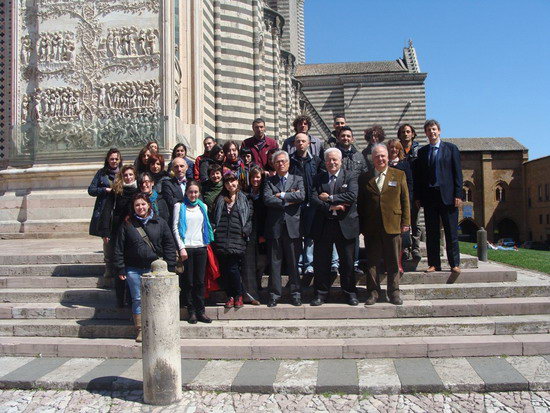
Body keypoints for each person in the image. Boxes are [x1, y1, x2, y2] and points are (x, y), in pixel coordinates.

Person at [114, 193, 177, 341]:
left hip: (154, 267)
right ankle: (141, 329)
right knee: (137, 299)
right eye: (137, 205)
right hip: (133, 268)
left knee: (157, 298)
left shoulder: (159, 222)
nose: (140, 207)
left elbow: (169, 244)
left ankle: (158, 326)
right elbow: (119, 247)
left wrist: (171, 265)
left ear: (148, 205)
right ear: (133, 207)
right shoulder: (127, 224)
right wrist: (120, 267)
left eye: (143, 204)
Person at [358, 144, 410, 306]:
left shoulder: (399, 175)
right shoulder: (365, 178)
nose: (380, 159)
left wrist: (406, 222)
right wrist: (361, 226)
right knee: (372, 262)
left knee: (393, 261)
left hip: (393, 225)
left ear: (387, 157)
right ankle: (373, 292)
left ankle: (394, 292)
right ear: (372, 159)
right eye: (376, 156)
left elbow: (405, 200)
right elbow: (361, 204)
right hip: (372, 227)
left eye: (382, 156)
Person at [310, 148, 360, 306]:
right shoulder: (318, 178)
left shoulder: (350, 175)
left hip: (345, 225)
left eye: (335, 160)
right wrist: (331, 207)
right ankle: (320, 294)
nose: (332, 162)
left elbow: (352, 195)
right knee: (321, 262)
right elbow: (313, 197)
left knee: (347, 262)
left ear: (341, 161)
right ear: (325, 162)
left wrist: (331, 198)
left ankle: (350, 293)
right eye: (329, 160)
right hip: (323, 224)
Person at [413, 119, 463, 276]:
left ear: (439, 131)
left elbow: (458, 174)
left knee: (451, 232)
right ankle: (434, 263)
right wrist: (418, 197)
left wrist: (458, 194)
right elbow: (419, 177)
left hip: (448, 197)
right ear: (425, 133)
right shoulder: (422, 152)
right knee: (432, 233)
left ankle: (454, 263)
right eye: (428, 130)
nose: (431, 132)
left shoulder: (451, 149)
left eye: (434, 129)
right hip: (430, 198)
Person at [263, 150, 305, 307]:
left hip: (293, 226)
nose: (281, 164)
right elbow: (267, 199)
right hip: (275, 227)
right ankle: (274, 294)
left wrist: (280, 195)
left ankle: (296, 293)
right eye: (277, 162)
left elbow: (301, 196)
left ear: (288, 163)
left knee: (294, 262)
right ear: (273, 164)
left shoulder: (297, 179)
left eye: (283, 161)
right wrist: (288, 199)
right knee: (275, 263)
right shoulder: (269, 181)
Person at [172, 181, 214, 323]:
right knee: (188, 282)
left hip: (201, 247)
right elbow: (175, 228)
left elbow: (205, 226)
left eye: (196, 192)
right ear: (186, 192)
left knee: (200, 282)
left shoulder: (203, 207)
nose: (193, 195)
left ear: (199, 193)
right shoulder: (179, 206)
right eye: (190, 192)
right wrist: (181, 247)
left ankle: (201, 311)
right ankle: (191, 311)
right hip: (187, 248)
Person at [100, 164, 140, 307]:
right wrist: (105, 231)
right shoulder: (116, 191)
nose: (128, 177)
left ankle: (130, 298)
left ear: (135, 176)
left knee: (132, 266)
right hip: (118, 231)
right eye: (126, 175)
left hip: (134, 233)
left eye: (130, 175)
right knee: (119, 266)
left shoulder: (139, 190)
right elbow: (107, 211)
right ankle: (119, 299)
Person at [211, 173, 253, 309]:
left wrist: (245, 231)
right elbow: (213, 217)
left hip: (237, 237)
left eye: (233, 181)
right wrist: (214, 229)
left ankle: (238, 295)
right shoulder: (219, 199)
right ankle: (230, 295)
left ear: (237, 182)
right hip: (221, 238)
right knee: (224, 269)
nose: (230, 184)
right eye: (227, 182)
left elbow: (249, 218)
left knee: (233, 268)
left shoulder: (245, 198)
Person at [288, 132, 323, 286]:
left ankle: (308, 264)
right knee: (296, 236)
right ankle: (297, 265)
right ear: (294, 144)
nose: (300, 143)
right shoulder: (290, 161)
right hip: (295, 204)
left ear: (309, 143)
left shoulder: (316, 161)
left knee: (309, 236)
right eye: (298, 141)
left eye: (303, 141)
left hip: (311, 203)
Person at [88, 148, 122, 280]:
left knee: (119, 238)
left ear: (119, 160)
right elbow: (91, 190)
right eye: (112, 159)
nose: (114, 161)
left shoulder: (123, 173)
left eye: (116, 159)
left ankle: (118, 266)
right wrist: (105, 190)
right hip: (105, 211)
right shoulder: (101, 173)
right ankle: (108, 268)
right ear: (108, 159)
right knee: (107, 239)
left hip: (119, 210)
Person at [243, 166, 266, 303]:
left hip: (262, 231)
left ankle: (258, 286)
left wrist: (264, 233)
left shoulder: (265, 192)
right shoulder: (245, 193)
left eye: (258, 177)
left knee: (262, 262)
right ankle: (251, 293)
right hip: (250, 231)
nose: (255, 180)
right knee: (249, 263)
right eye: (253, 177)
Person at [398, 123, 422, 260]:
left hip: (414, 192)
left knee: (415, 221)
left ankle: (416, 248)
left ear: (413, 134)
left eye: (408, 131)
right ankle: (405, 248)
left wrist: (419, 195)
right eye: (403, 132)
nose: (405, 134)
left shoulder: (419, 151)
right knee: (403, 222)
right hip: (401, 192)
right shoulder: (397, 150)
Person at [162, 157, 188, 226]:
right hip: (176, 221)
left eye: (182, 166)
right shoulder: (167, 184)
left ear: (187, 167)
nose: (179, 169)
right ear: (172, 169)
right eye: (176, 167)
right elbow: (171, 201)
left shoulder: (193, 182)